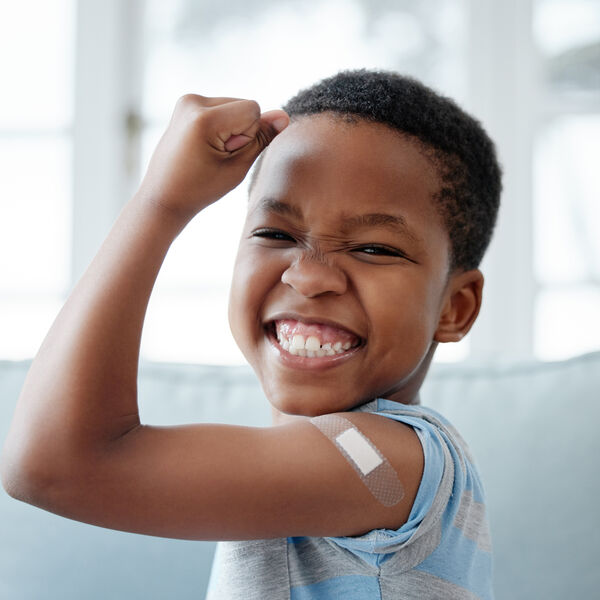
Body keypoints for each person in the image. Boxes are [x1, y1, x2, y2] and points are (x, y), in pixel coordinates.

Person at [1, 70, 501, 599]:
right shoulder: (335, 467)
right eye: (275, 234)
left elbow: (56, 465)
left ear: (455, 307)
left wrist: (160, 203)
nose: (307, 275)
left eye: (374, 248)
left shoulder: (385, 462)